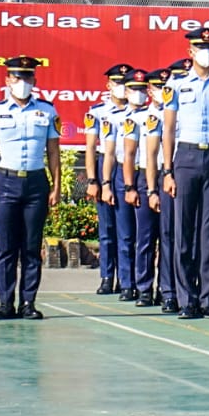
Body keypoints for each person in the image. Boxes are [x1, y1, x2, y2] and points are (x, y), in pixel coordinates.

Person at [162, 27, 209, 320]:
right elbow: (169, 129)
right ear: (190, 52)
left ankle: (206, 300)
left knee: (208, 232)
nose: (207, 52)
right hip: (186, 156)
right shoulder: (176, 85)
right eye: (201, 48)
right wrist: (168, 171)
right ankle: (186, 300)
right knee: (183, 230)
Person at [0, 56, 62, 320]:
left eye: (27, 77)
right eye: (17, 77)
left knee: (31, 246)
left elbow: (53, 152)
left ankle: (28, 302)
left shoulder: (47, 111)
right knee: (6, 246)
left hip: (36, 182)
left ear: (34, 80)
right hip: (7, 181)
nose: (22, 82)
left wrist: (56, 186)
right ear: (8, 80)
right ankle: (6, 303)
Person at [83, 64, 132, 295]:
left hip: (128, 167)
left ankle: (125, 279)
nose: (121, 87)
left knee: (126, 230)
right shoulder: (97, 112)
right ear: (108, 85)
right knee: (107, 229)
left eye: (125, 83)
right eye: (117, 82)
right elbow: (91, 147)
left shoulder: (137, 111)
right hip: (105, 167)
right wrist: (92, 180)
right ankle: (106, 276)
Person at [120, 69, 165, 307]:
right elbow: (129, 154)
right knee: (145, 237)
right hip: (145, 178)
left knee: (168, 238)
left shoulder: (177, 116)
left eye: (165, 87)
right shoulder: (138, 118)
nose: (162, 92)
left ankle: (166, 289)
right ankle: (144, 288)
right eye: (157, 87)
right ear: (150, 90)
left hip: (170, 177)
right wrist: (130, 186)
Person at [99, 71, 142, 302]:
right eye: (133, 89)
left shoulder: (151, 115)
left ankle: (142, 283)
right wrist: (105, 184)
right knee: (124, 233)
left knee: (142, 234)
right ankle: (126, 283)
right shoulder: (115, 118)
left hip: (145, 174)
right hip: (121, 174)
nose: (138, 94)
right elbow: (108, 154)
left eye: (141, 89)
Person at [147, 68, 181, 312]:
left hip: (190, 172)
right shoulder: (156, 115)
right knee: (167, 235)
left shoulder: (189, 111)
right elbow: (151, 155)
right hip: (167, 174)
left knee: (188, 237)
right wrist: (152, 189)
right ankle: (168, 290)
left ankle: (187, 291)